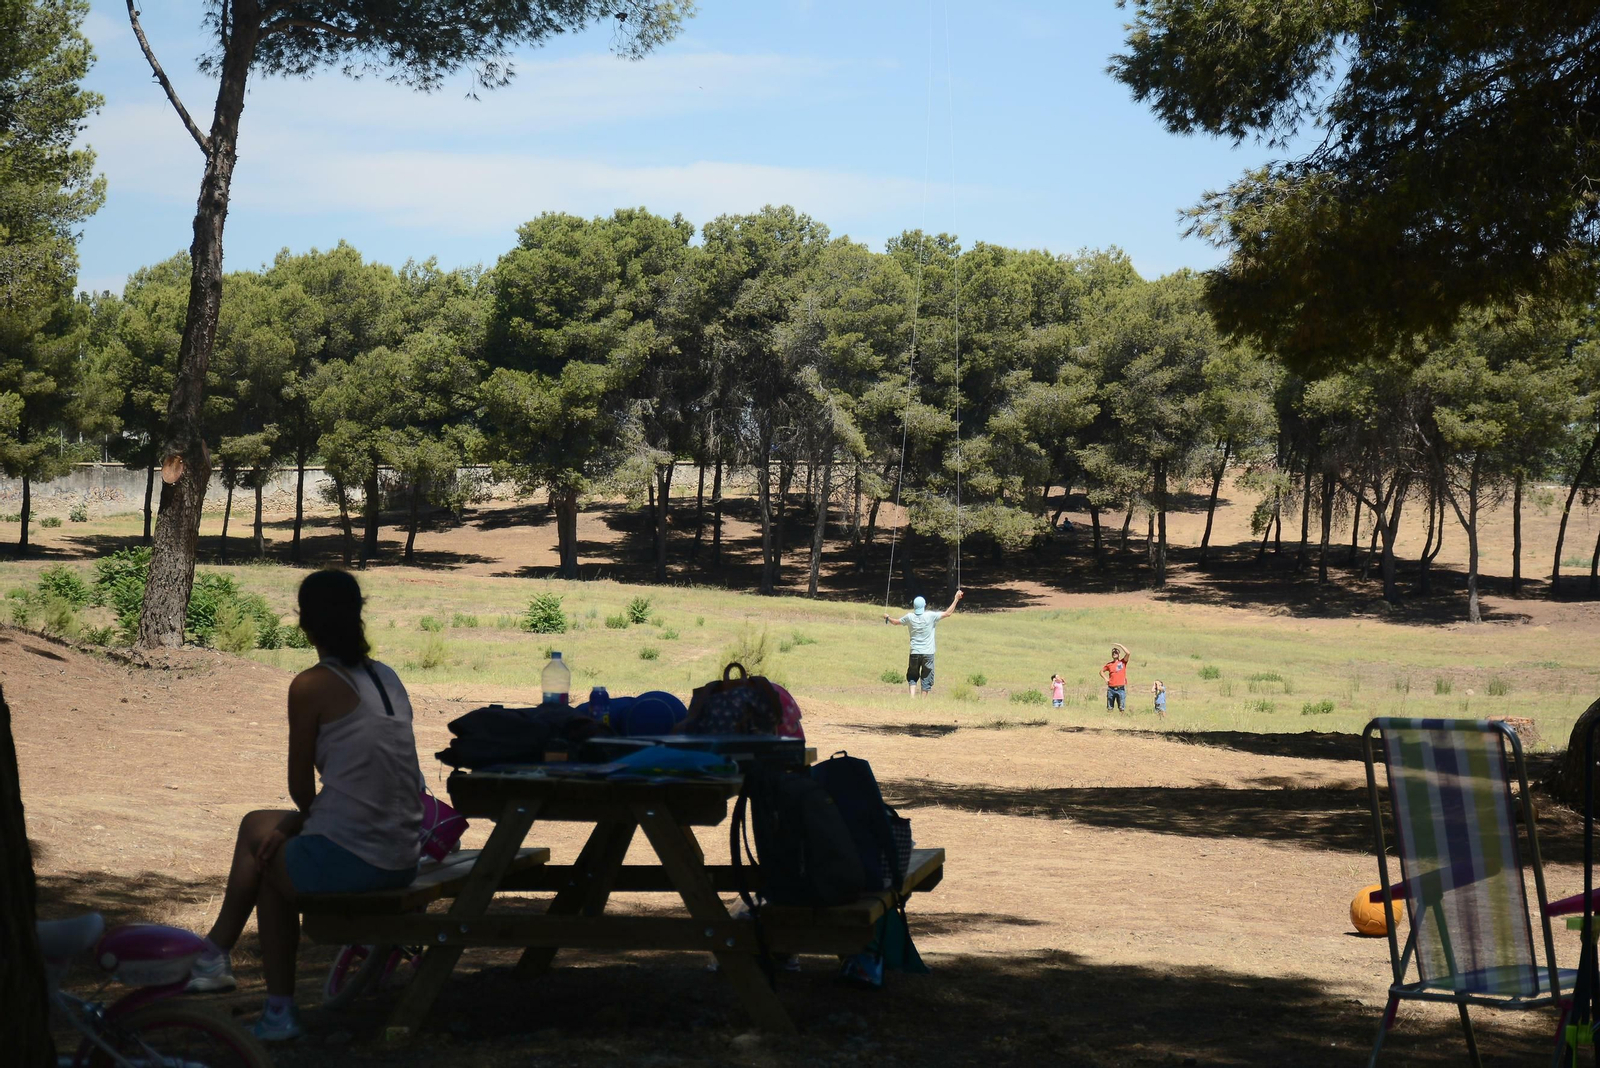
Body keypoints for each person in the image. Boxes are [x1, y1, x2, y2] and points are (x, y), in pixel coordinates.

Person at [184, 570, 424, 1042]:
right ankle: (251, 991)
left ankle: (221, 959)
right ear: (358, 617)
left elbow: (300, 787)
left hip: (363, 859)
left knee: (263, 850)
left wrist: (298, 820)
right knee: (265, 840)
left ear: (304, 623)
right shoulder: (387, 676)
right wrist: (298, 824)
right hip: (403, 853)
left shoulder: (312, 685)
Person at [884, 590, 963, 697]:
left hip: (914, 652)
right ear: (924, 606)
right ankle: (923, 701)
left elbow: (895, 622)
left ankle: (912, 698)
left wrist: (887, 618)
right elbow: (948, 613)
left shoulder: (909, 617)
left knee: (912, 675)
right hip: (928, 653)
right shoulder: (930, 616)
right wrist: (956, 599)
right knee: (926, 676)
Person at [1100, 643, 1130, 713]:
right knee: (1110, 707)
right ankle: (1110, 720)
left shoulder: (1122, 662)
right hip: (1111, 688)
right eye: (1113, 652)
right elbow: (1101, 671)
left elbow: (1128, 653)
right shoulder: (1109, 664)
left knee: (1121, 707)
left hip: (1120, 688)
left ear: (1119, 654)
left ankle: (1122, 720)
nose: (1114, 653)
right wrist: (1105, 678)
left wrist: (1120, 645)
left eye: (1116, 652)